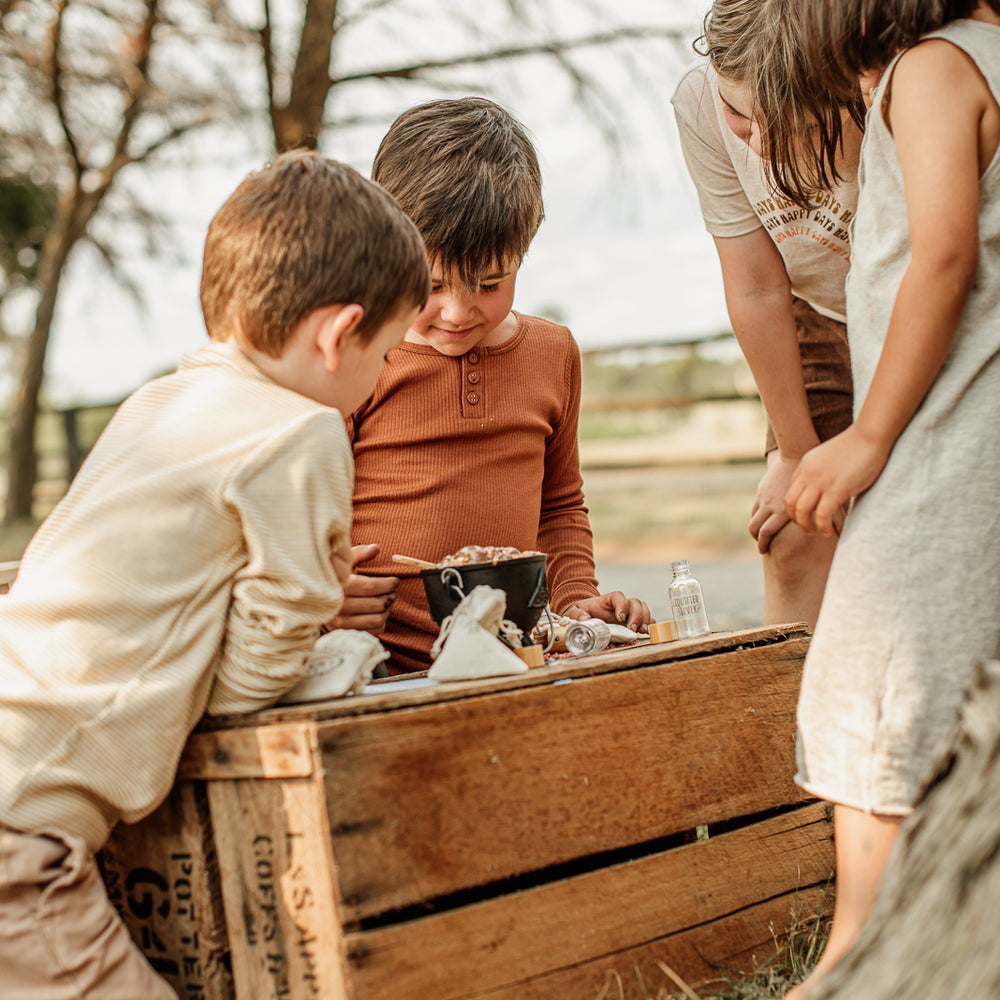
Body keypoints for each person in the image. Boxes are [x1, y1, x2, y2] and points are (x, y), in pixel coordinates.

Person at [0, 150, 429, 998]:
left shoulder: (156, 405)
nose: (383, 377)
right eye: (386, 354)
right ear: (340, 335)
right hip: (21, 830)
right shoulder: (299, 436)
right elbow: (255, 677)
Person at [784, 2, 1000, 995]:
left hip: (938, 429)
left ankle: (858, 959)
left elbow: (942, 251)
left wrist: (866, 434)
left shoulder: (931, 67)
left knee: (871, 686)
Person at [329, 96, 651, 673]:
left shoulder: (554, 353)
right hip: (382, 660)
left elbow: (559, 504)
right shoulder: (357, 359)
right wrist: (324, 594)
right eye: (430, 285)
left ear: (525, 249)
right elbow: (311, 512)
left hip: (516, 656)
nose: (456, 312)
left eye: (490, 283)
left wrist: (577, 599)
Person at [671, 0, 865, 629]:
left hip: (911, 307)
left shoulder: (887, 95)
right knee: (795, 528)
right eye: (739, 114)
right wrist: (794, 452)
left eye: (791, 125)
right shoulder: (700, 105)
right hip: (812, 312)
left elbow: (933, 274)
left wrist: (874, 439)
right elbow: (755, 285)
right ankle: (794, 723)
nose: (760, 144)